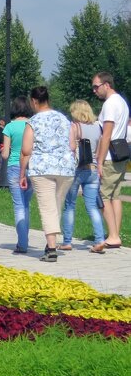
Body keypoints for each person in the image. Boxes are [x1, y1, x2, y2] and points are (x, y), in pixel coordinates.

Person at [19, 85, 75, 263]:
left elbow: (26, 150)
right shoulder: (64, 119)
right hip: (65, 168)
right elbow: (72, 145)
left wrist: (21, 173)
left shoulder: (33, 122)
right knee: (56, 206)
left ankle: (51, 248)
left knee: (47, 207)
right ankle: (51, 241)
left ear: (34, 101)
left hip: (42, 168)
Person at [63, 99, 106, 253]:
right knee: (92, 207)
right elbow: (100, 149)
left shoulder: (74, 126)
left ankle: (67, 241)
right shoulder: (97, 127)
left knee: (70, 205)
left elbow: (71, 148)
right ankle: (100, 239)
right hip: (93, 169)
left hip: (77, 169)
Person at [92, 72, 129, 248]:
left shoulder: (109, 104)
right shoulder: (122, 102)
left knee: (103, 195)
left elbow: (106, 135)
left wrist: (98, 162)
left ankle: (113, 235)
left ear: (107, 85)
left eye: (96, 86)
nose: (94, 90)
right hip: (120, 155)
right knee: (115, 195)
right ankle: (115, 233)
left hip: (108, 157)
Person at [1, 97, 34, 253]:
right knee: (26, 205)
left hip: (15, 166)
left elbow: (6, 154)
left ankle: (22, 243)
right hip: (31, 166)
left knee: (19, 206)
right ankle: (24, 239)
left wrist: (3, 151)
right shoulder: (32, 124)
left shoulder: (9, 127)